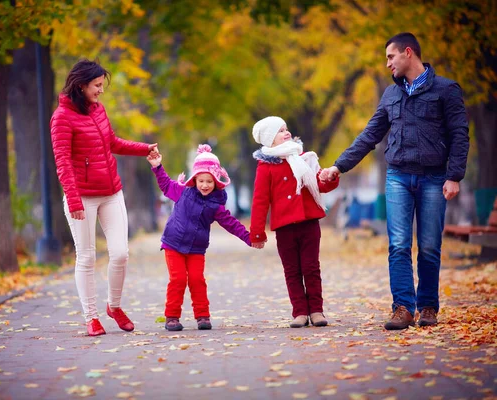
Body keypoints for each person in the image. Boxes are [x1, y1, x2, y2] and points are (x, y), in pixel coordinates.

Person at [320, 32, 469, 330]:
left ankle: (427, 307)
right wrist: (339, 166)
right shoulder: (391, 94)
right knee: (399, 244)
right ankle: (402, 308)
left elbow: (459, 135)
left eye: (391, 56)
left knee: (428, 245)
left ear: (408, 53)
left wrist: (454, 175)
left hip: (433, 177)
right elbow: (370, 136)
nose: (387, 63)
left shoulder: (445, 90)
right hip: (398, 176)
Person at [50, 59, 159, 336]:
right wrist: (73, 200)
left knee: (121, 253)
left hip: (111, 192)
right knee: (86, 257)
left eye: (102, 85)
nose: (101, 90)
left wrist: (144, 149)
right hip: (82, 198)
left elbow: (113, 143)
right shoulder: (61, 118)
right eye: (97, 85)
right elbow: (62, 161)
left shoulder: (98, 110)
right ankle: (91, 317)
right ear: (81, 85)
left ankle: (114, 305)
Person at [147, 144, 253, 331]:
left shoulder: (216, 205)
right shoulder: (182, 191)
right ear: (194, 179)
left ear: (216, 183)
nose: (205, 185)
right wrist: (157, 167)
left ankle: (202, 316)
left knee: (197, 280)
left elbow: (230, 223)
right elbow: (165, 184)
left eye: (209, 181)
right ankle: (172, 317)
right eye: (201, 180)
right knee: (178, 279)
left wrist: (249, 237)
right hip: (174, 243)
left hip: (196, 248)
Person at [250, 117, 339, 328]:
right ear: (270, 140)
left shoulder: (304, 158)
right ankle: (299, 311)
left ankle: (316, 310)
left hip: (309, 222)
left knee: (311, 267)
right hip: (284, 227)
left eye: (286, 129)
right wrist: (256, 232)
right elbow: (260, 200)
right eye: (280, 131)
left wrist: (328, 178)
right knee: (292, 270)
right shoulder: (265, 166)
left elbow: (320, 185)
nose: (286, 132)